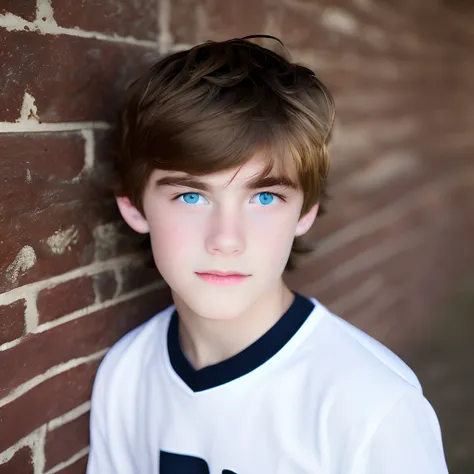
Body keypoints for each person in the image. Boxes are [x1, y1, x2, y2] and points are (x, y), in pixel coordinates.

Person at [86, 36, 449, 473]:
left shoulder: (373, 407)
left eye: (263, 199)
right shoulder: (126, 375)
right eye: (190, 197)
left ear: (305, 212)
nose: (226, 239)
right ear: (134, 207)